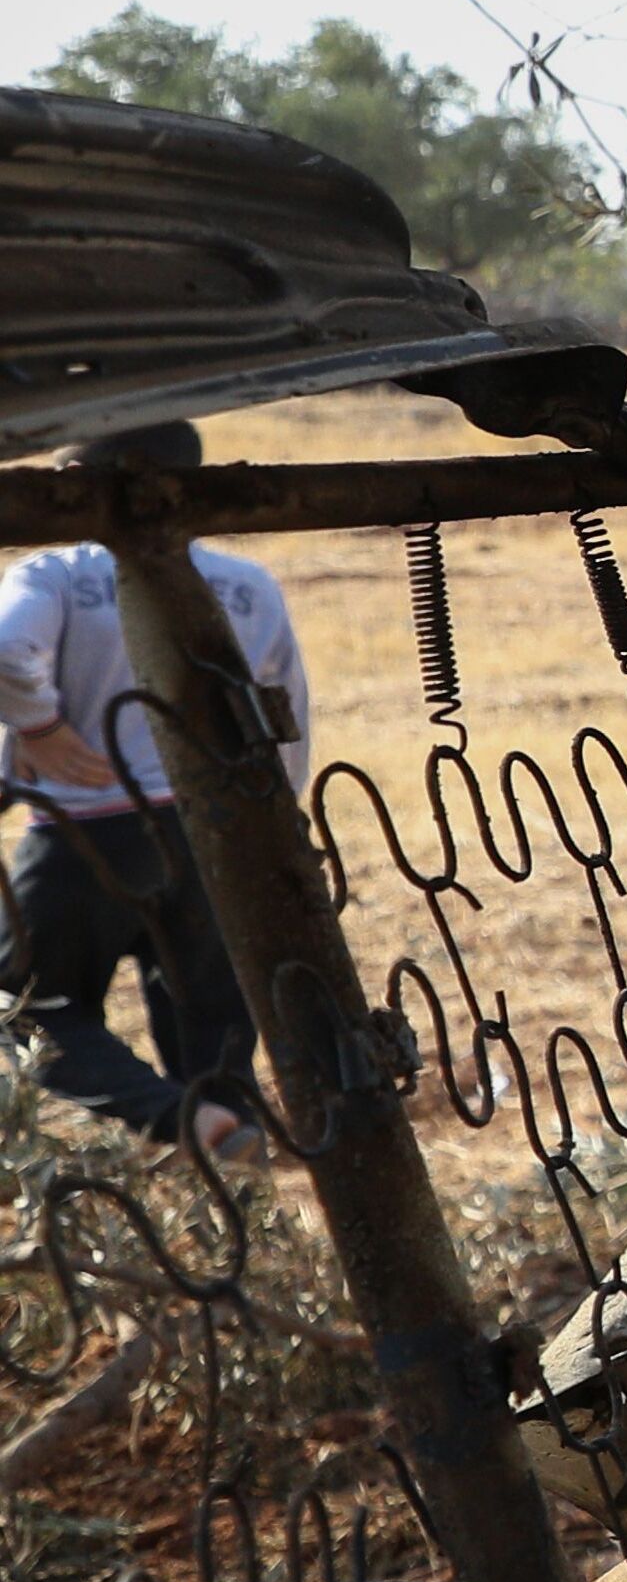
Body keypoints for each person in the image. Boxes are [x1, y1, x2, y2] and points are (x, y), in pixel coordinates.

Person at [0, 421, 305, 1162]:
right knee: (211, 1024)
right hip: (212, 835)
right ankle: (232, 1161)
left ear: (74, 482)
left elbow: (6, 649)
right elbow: (281, 715)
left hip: (85, 838)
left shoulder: (57, 574)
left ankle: (179, 1121)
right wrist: (274, 826)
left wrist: (39, 726)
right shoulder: (246, 584)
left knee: (27, 1009)